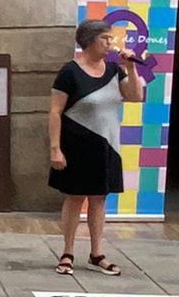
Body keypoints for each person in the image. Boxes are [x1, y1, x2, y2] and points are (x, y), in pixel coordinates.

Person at [48, 19, 146, 276]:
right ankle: (67, 252)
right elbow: (55, 112)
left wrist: (131, 68)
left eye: (111, 38)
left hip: (107, 144)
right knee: (75, 196)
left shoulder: (115, 70)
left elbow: (135, 96)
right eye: (105, 39)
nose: (110, 43)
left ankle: (97, 253)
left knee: (99, 198)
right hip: (77, 143)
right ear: (89, 41)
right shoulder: (70, 72)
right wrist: (55, 149)